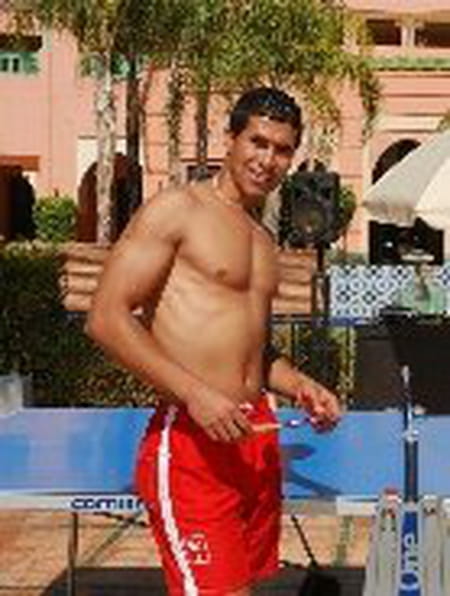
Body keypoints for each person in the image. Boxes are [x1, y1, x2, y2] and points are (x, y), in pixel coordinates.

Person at [86, 86, 341, 596]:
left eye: (282, 149)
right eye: (257, 142)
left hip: (254, 439)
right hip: (191, 444)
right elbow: (106, 318)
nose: (267, 159)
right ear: (230, 139)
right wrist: (195, 395)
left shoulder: (263, 241)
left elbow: (251, 352)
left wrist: (300, 384)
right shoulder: (177, 210)